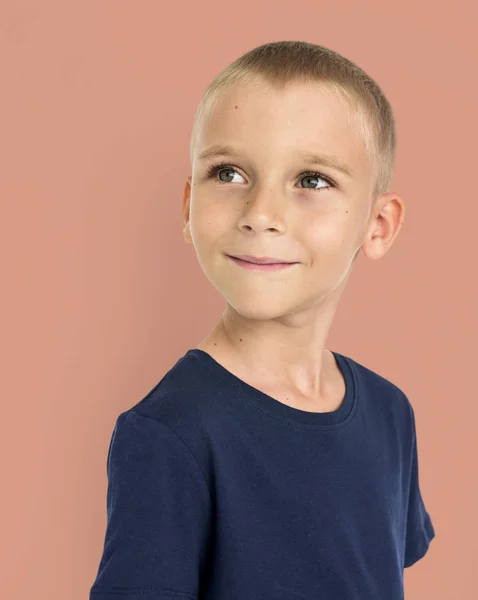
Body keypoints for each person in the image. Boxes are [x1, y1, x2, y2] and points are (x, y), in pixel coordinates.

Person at [89, 40, 435, 600]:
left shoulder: (391, 412)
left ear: (378, 224)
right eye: (228, 173)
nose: (261, 215)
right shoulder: (169, 434)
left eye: (312, 180)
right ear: (187, 206)